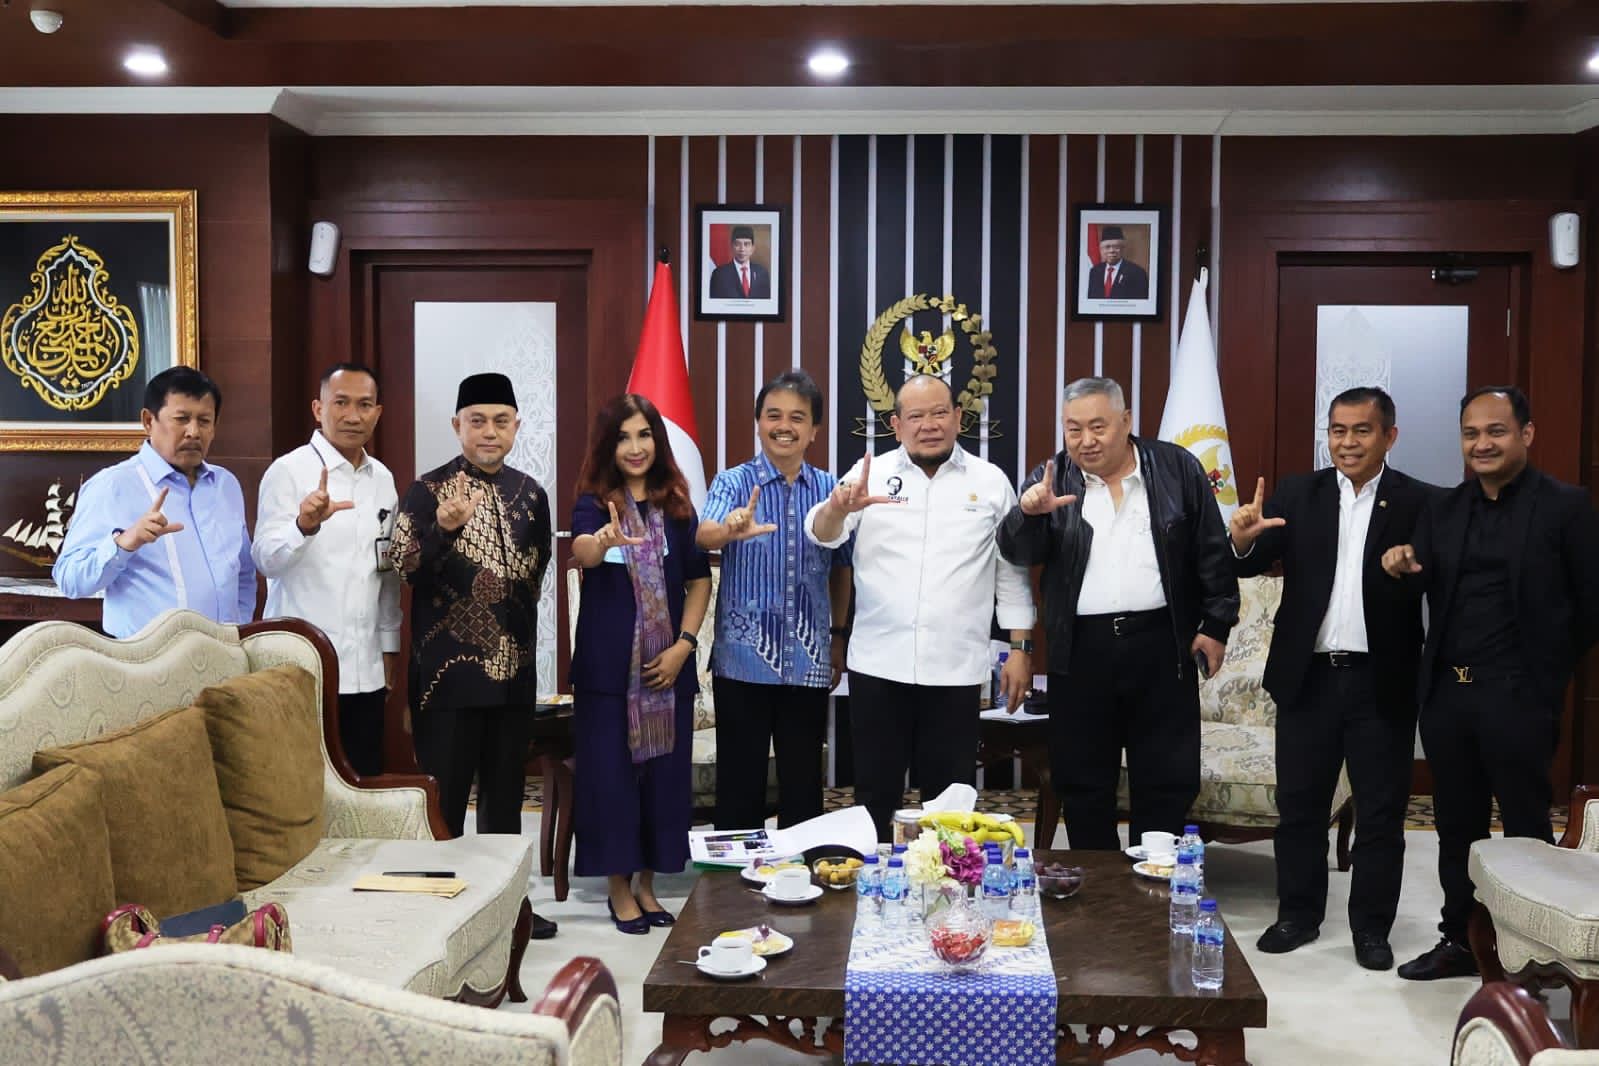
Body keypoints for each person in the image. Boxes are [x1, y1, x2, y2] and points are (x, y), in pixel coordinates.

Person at [1382, 386, 1599, 981]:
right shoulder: (1444, 509)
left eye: (1496, 431)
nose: (1482, 443)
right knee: (1457, 826)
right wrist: (1398, 568)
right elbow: (1419, 583)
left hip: (1518, 695)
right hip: (1448, 695)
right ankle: (1460, 940)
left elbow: (1590, 606)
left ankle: (1532, 954)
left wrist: (1545, 672)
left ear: (1525, 434)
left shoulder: (1565, 506)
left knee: (1526, 827)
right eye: (1471, 433)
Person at [1230, 387, 1435, 972]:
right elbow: (1251, 558)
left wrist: (1412, 567)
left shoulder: (1420, 501)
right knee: (1299, 807)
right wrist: (1242, 539)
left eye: (1361, 430)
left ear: (1389, 436)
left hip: (1381, 680)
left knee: (1380, 815)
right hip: (1309, 677)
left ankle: (1371, 929)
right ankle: (1297, 915)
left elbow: (1438, 574)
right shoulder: (1300, 492)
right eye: (1337, 430)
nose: (1347, 442)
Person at [997, 376, 1237, 851]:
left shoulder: (1177, 468)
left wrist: (1215, 625)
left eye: (1098, 426)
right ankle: (1099, 889)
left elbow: (1212, 550)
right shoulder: (1050, 479)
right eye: (1073, 429)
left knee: (1165, 779)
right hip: (1080, 650)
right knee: (1082, 783)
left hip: (1161, 643)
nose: (1085, 440)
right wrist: (1029, 514)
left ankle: (1155, 883)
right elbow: (1017, 553)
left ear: (1126, 421)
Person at [805, 374, 1035, 842]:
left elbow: (1011, 571)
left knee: (950, 802)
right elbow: (822, 534)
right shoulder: (869, 474)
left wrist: (1020, 648)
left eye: (939, 413)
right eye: (916, 416)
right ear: (896, 424)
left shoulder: (990, 482)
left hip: (955, 670)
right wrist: (837, 507)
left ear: (958, 417)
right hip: (878, 666)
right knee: (874, 796)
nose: (929, 425)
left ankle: (946, 885)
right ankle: (873, 881)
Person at [388, 372, 558, 939]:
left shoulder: (531, 494)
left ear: (516, 427)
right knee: (448, 801)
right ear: (457, 425)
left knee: (506, 804)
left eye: (500, 421)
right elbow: (405, 567)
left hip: (514, 676)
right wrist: (441, 529)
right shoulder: (427, 490)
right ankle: (445, 917)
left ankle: (508, 912)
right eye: (477, 421)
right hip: (448, 679)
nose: (489, 432)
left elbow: (534, 578)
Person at [570, 393, 712, 934]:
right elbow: (583, 552)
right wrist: (602, 539)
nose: (635, 447)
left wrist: (684, 645)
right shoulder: (593, 502)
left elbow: (698, 580)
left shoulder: (677, 506)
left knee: (662, 784)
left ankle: (648, 885)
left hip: (667, 671)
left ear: (658, 440)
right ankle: (618, 889)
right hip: (608, 673)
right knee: (611, 782)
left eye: (644, 435)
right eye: (624, 437)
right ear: (609, 445)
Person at [697, 369, 851, 830]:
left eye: (797, 418)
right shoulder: (733, 482)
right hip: (742, 662)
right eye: (773, 415)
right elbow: (703, 534)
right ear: (759, 422)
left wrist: (837, 637)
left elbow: (841, 568)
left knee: (803, 786)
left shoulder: (830, 490)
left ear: (814, 430)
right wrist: (729, 530)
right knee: (739, 787)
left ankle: (800, 871)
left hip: (808, 660)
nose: (784, 426)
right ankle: (731, 875)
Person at [253, 363, 400, 778]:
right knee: (299, 784)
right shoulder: (288, 471)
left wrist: (389, 646)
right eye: (341, 403)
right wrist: (304, 526)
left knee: (362, 783)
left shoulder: (382, 478)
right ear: (318, 409)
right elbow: (264, 559)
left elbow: (385, 571)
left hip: (365, 667)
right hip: (301, 666)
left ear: (377, 413)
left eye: (364, 405)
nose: (353, 415)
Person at [54, 366, 256, 638]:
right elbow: (69, 580)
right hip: (147, 658)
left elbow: (242, 572)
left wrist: (237, 627)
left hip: (223, 651)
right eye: (181, 419)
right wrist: (125, 543)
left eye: (204, 421)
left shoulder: (225, 485)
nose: (193, 432)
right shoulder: (113, 486)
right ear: (149, 421)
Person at [1084, 226, 1150, 301]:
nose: (1111, 251)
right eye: (1107, 247)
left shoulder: (1137, 273)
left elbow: (1141, 304)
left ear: (1123, 248)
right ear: (1101, 249)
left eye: (1116, 247)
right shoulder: (1094, 271)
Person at [708, 225, 772, 300]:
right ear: (732, 247)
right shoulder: (719, 274)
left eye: (746, 244)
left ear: (752, 248)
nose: (742, 249)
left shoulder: (762, 273)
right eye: (737, 244)